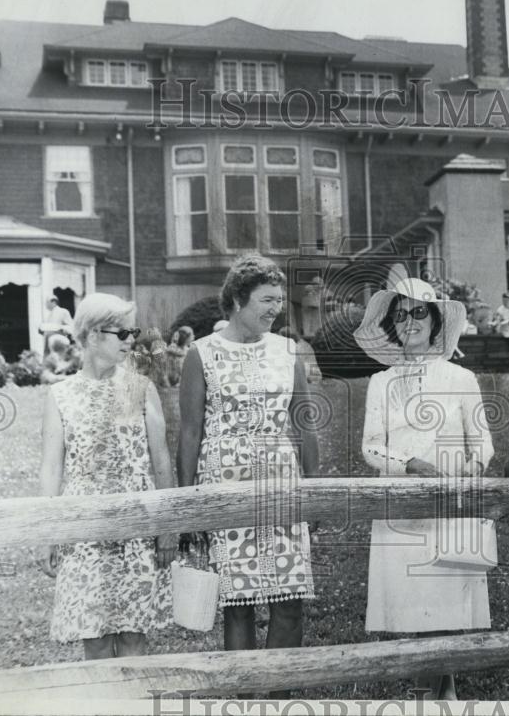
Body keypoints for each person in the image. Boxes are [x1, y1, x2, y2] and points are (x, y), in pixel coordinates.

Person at [177, 255, 318, 699]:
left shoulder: (286, 351)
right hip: (225, 486)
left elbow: (304, 423)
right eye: (266, 300)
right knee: (238, 604)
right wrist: (189, 505)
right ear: (237, 300)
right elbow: (189, 431)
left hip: (281, 482)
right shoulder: (201, 353)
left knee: (289, 598)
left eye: (279, 300)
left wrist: (316, 492)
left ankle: (278, 699)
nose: (276, 308)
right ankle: (244, 700)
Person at [354, 277, 495, 700]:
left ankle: (442, 690)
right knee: (411, 601)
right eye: (400, 314)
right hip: (401, 504)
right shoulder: (381, 382)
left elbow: (483, 441)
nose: (409, 321)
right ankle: (424, 690)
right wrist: (411, 464)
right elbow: (370, 447)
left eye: (419, 312)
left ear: (435, 321)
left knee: (448, 596)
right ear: (391, 325)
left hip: (449, 503)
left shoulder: (461, 377)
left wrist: (466, 471)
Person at [38, 292, 176, 660]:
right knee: (94, 637)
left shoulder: (140, 389)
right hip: (84, 532)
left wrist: (167, 527)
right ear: (94, 334)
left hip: (137, 528)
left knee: (133, 636)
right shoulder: (60, 395)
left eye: (133, 330)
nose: (132, 339)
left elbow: (161, 461)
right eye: (123, 332)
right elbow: (51, 467)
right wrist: (48, 532)